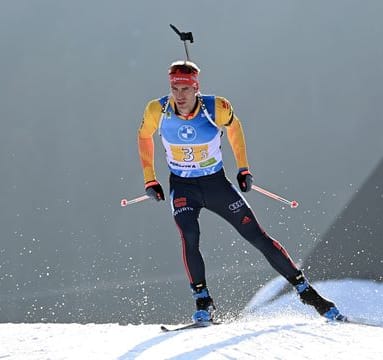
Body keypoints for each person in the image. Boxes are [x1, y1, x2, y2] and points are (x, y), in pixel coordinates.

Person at [137, 60, 345, 323]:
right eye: (174, 88)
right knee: (189, 236)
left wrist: (244, 168)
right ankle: (203, 301)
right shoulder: (158, 109)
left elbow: (234, 129)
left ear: (196, 89)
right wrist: (149, 179)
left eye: (185, 89)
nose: (179, 95)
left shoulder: (216, 107)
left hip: (216, 185)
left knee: (257, 236)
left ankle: (307, 292)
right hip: (182, 187)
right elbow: (144, 136)